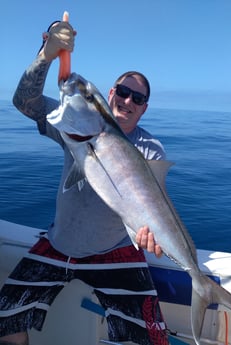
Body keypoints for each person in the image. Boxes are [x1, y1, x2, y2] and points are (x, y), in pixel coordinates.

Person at [0, 20, 169, 345]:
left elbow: (156, 205)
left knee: (151, 338)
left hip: (116, 250)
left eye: (137, 98)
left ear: (144, 108)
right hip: (60, 244)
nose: (128, 101)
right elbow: (25, 102)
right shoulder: (75, 119)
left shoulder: (150, 149)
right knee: (5, 322)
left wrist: (152, 235)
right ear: (110, 93)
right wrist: (46, 56)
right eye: (122, 92)